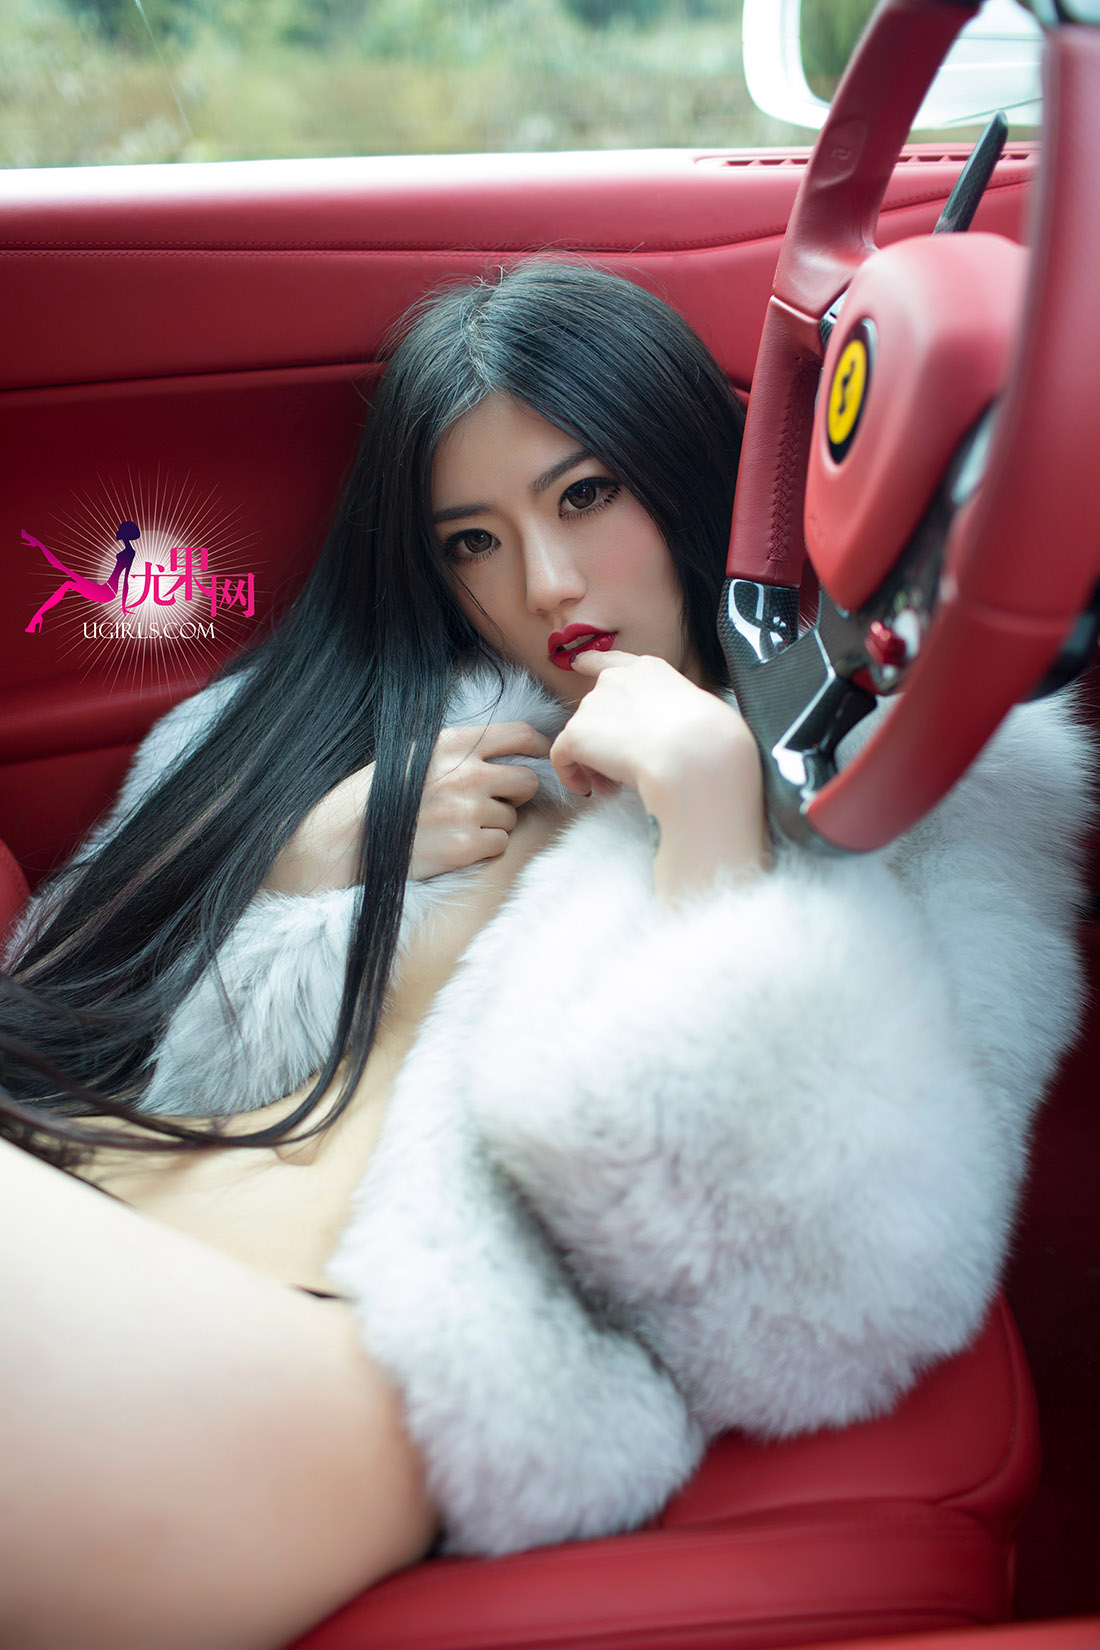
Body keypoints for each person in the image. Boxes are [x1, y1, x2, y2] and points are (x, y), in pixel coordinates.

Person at [0, 260, 1091, 1647]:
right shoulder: (349, 727)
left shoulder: (917, 785)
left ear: (685, 473)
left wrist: (712, 826)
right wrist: (300, 863)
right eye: (474, 541)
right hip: (96, 1205)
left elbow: (849, 1287)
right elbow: (73, 998)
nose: (545, 583)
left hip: (331, 1366)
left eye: (586, 497)